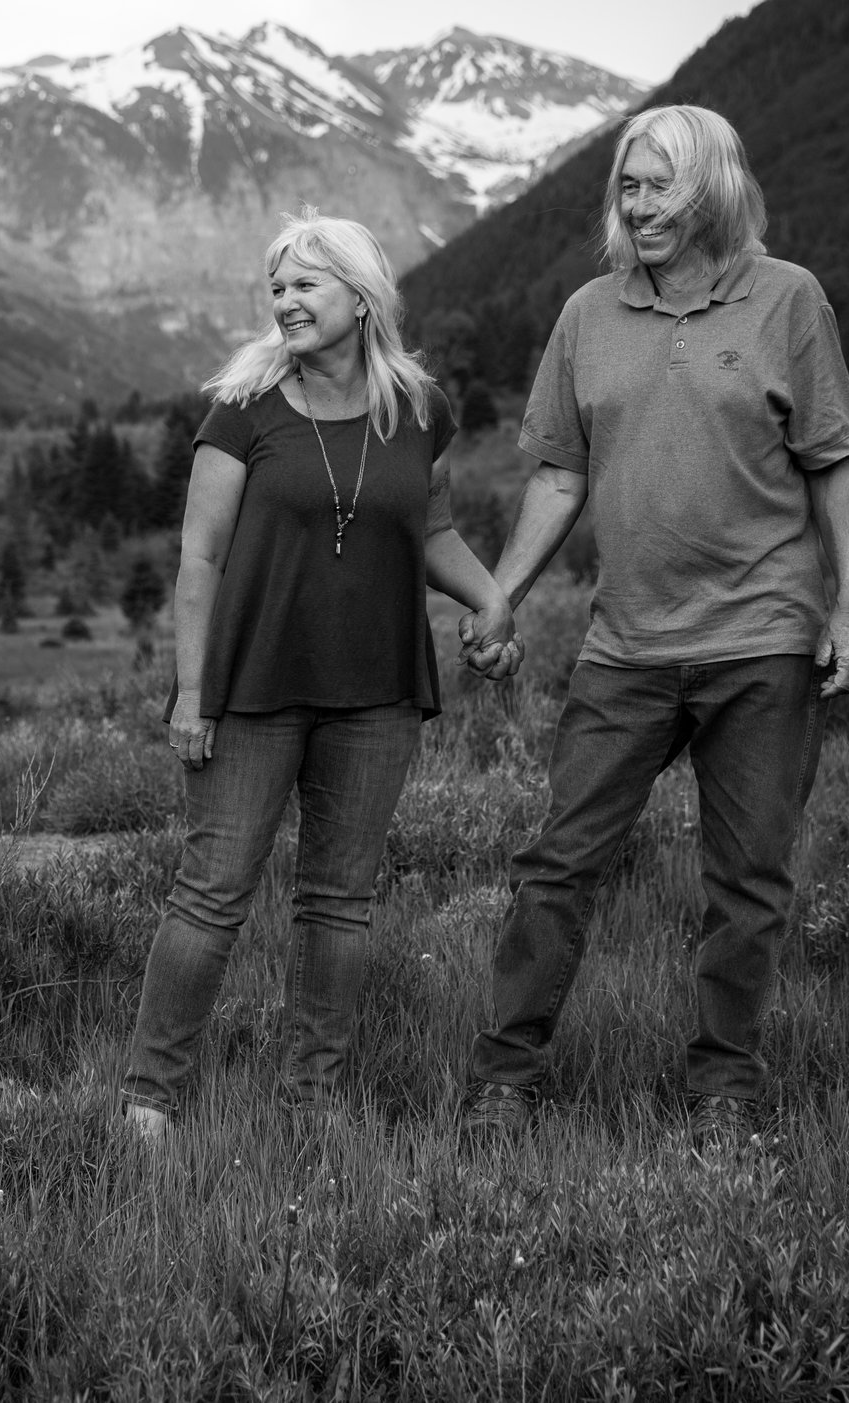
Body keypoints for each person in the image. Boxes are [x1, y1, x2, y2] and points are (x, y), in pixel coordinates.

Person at [460, 104, 849, 1149]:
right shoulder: (587, 314)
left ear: (713, 191)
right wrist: (500, 591)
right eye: (627, 187)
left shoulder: (788, 299)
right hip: (625, 645)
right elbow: (559, 475)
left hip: (762, 636)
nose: (638, 204)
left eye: (659, 185)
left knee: (747, 876)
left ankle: (722, 1093)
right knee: (558, 863)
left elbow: (830, 455)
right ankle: (505, 1077)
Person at [118, 209, 516, 1140]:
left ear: (362, 296)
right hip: (250, 687)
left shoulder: (420, 409)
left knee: (340, 903)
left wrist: (490, 597)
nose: (286, 301)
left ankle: (311, 1104)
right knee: (213, 890)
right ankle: (148, 1101)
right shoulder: (244, 408)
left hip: (375, 691)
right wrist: (189, 688)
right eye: (279, 288)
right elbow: (199, 558)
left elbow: (433, 530)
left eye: (306, 284)